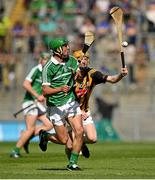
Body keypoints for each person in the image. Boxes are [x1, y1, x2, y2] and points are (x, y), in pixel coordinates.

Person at [39, 49, 128, 160]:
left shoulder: (93, 74)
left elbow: (112, 79)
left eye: (85, 59)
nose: (83, 61)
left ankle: (80, 141)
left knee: (92, 138)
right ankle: (69, 161)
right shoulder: (67, 74)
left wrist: (121, 75)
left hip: (84, 110)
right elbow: (52, 89)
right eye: (79, 59)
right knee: (69, 144)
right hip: (69, 109)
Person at [41, 37, 84, 171]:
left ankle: (72, 163)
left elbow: (79, 77)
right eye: (64, 46)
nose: (67, 48)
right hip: (55, 106)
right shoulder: (48, 67)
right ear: (57, 50)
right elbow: (45, 91)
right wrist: (59, 89)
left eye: (67, 45)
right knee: (65, 141)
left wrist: (79, 74)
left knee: (79, 131)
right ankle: (46, 135)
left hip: (71, 101)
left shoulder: (71, 60)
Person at [10, 52, 55, 158]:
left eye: (48, 59)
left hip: (38, 104)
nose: (46, 61)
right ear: (40, 60)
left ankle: (26, 137)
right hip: (30, 102)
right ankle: (15, 151)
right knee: (30, 129)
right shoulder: (36, 69)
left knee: (49, 125)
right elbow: (25, 84)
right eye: (44, 59)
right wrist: (36, 96)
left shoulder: (48, 73)